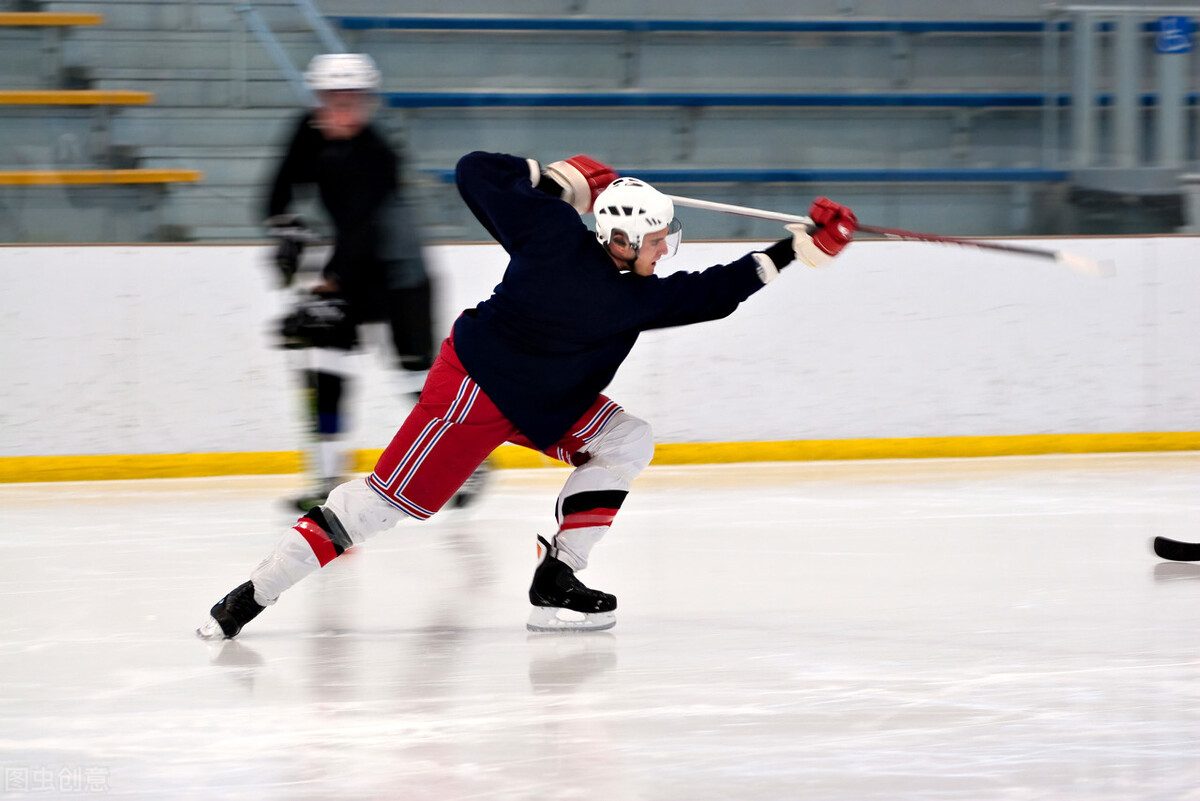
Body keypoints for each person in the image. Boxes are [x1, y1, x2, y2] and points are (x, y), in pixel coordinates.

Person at [198, 150, 856, 638]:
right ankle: (251, 596)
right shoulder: (628, 295)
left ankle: (558, 577)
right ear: (621, 239)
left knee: (625, 439)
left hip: (547, 401)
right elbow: (717, 292)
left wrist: (556, 178)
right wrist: (800, 246)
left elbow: (476, 173)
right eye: (658, 238)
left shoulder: (553, 230)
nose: (667, 247)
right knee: (376, 505)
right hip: (474, 393)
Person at [264, 53, 489, 511]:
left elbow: (364, 231)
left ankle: (472, 463)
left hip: (399, 276)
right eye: (332, 98)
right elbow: (277, 186)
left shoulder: (376, 156)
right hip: (352, 267)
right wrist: (283, 223)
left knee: (417, 379)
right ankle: (325, 476)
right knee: (324, 364)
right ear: (318, 100)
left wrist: (331, 281)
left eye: (353, 99)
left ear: (367, 103)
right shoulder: (306, 132)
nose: (342, 109)